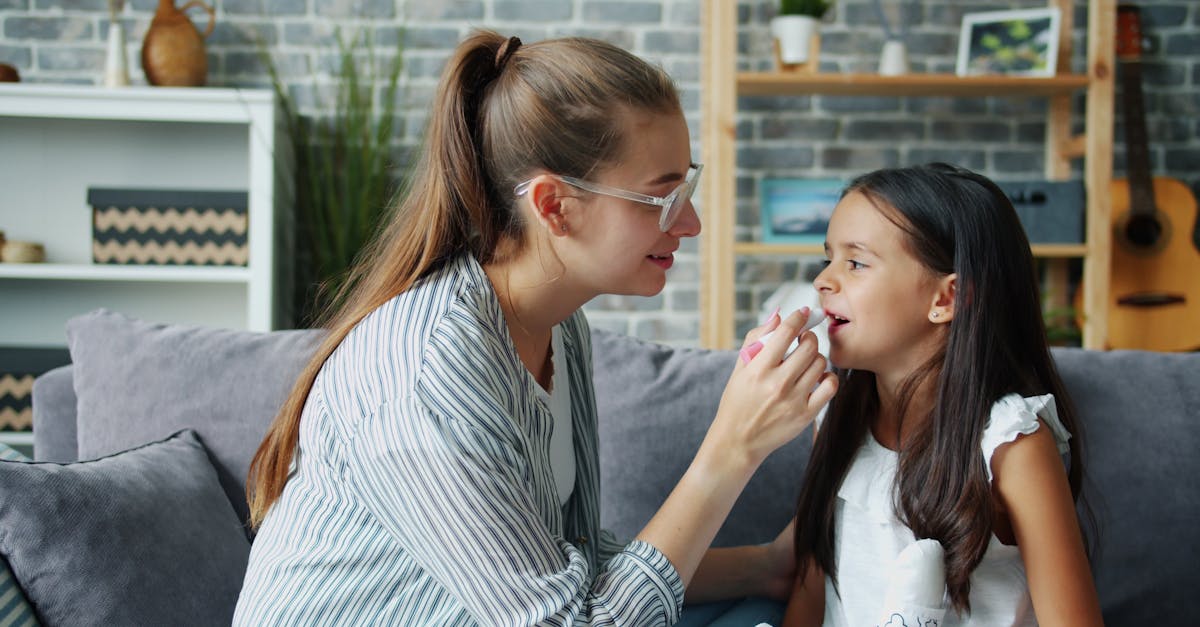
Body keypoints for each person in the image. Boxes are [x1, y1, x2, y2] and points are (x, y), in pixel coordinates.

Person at [234, 30, 837, 626]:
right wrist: (733, 446)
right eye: (663, 199)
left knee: (764, 609)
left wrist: (764, 566)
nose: (692, 223)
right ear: (553, 206)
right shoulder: (429, 377)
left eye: (689, 188)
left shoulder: (558, 326)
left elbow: (569, 567)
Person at [778, 163, 1103, 626]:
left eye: (856, 262)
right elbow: (812, 600)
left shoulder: (1011, 444)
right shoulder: (832, 419)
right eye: (827, 258)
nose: (823, 280)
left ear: (947, 300)